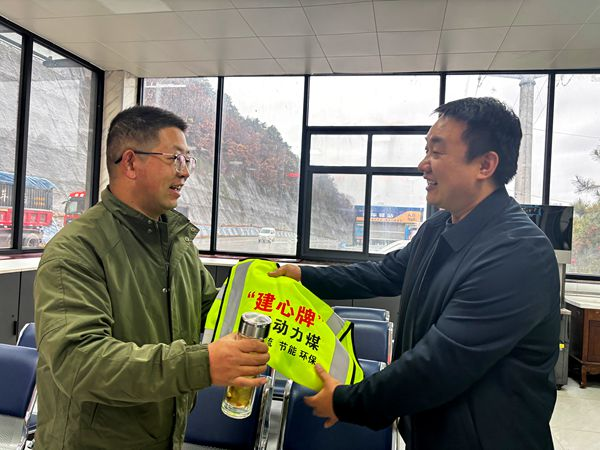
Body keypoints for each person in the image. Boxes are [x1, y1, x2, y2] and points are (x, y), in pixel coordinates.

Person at [270, 97, 560, 450]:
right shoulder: (437, 228)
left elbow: (440, 364)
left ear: (485, 164)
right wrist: (303, 276)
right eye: (426, 150)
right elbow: (382, 274)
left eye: (437, 152)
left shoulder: (518, 253)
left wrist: (346, 401)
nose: (423, 165)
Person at [33, 105, 269, 450]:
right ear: (130, 163)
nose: (185, 172)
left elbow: (212, 313)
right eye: (175, 158)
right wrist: (201, 364)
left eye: (188, 160)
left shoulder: (177, 245)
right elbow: (78, 363)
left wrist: (266, 298)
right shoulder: (77, 250)